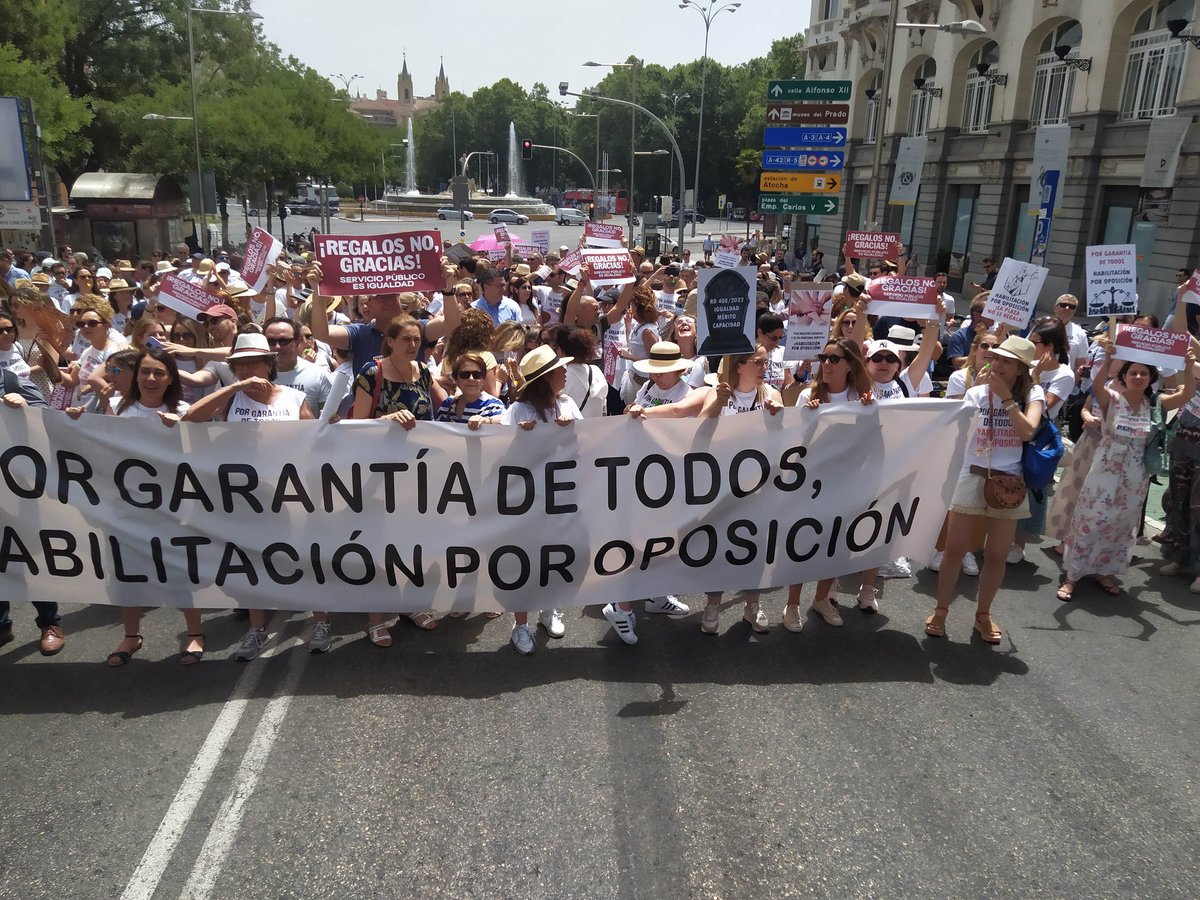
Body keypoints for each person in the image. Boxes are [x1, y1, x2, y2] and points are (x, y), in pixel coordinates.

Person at [183, 333, 315, 659]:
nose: (248, 368)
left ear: (269, 364)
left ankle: (318, 620)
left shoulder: (294, 399)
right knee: (252, 561)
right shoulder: (229, 398)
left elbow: (316, 440)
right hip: (247, 496)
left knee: (302, 559)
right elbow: (190, 419)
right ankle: (256, 630)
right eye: (240, 364)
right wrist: (233, 387)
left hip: (289, 494)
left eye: (254, 361)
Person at [924, 336, 1044, 643]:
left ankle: (983, 614)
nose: (999, 364)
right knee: (954, 550)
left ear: (1021, 369)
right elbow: (957, 434)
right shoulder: (976, 393)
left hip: (1010, 484)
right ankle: (941, 610)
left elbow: (1028, 431)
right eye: (997, 358)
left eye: (1007, 361)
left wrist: (1006, 399)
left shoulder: (1034, 393)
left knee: (996, 555)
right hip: (971, 476)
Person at [1057, 336, 1196, 600]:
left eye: (1144, 373)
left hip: (1135, 476)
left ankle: (1104, 571)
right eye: (1133, 372)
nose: (1138, 377)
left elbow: (1187, 394)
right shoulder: (1112, 398)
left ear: (1150, 378)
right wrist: (1108, 358)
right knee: (1091, 519)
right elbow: (1096, 385)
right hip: (1104, 471)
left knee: (1120, 525)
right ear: (1124, 376)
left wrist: (1189, 368)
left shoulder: (1155, 405)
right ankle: (1072, 576)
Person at [103, 349, 203, 665]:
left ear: (170, 378)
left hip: (172, 510)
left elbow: (204, 456)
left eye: (159, 373)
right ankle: (131, 636)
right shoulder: (122, 409)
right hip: (128, 509)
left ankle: (194, 634)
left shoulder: (184, 409)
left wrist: (183, 427)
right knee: (127, 574)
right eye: (145, 371)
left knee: (181, 571)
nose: (150, 378)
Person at [351, 314, 448, 636]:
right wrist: (388, 418)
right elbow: (357, 427)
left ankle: (410, 603)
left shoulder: (422, 371)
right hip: (380, 474)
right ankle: (375, 618)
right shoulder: (371, 372)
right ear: (389, 341)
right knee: (380, 546)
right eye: (405, 339)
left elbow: (442, 412)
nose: (412, 345)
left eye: (417, 340)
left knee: (412, 543)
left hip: (417, 473)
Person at [493, 345, 581, 654]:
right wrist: (519, 436)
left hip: (559, 497)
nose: (565, 372)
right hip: (525, 499)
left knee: (554, 557)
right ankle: (521, 624)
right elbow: (499, 454)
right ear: (545, 379)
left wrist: (572, 428)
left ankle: (548, 610)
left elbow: (588, 445)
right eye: (559, 370)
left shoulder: (567, 404)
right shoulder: (518, 411)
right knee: (524, 561)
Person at [781, 339, 875, 630]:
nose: (827, 364)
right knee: (803, 543)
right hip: (810, 486)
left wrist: (870, 413)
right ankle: (792, 603)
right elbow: (791, 443)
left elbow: (870, 442)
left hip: (846, 484)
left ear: (850, 365)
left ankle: (821, 599)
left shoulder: (862, 399)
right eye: (825, 357)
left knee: (835, 545)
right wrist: (807, 419)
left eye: (835, 359)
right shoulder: (808, 396)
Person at [693, 345, 784, 635]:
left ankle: (752, 604)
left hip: (759, 487)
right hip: (720, 487)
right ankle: (713, 603)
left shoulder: (771, 395)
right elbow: (697, 430)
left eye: (765, 362)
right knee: (718, 546)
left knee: (754, 548)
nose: (763, 368)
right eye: (758, 362)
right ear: (739, 365)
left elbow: (784, 438)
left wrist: (778, 417)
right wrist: (716, 404)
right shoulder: (718, 392)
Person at [0, 367, 64, 655]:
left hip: (15, 487)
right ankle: (2, 625)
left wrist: (24, 406)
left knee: (28, 554)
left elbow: (46, 420)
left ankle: (50, 622)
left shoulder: (11, 380)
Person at [435, 350, 504, 425]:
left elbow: (507, 420)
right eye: (465, 374)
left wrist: (488, 421)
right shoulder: (447, 405)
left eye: (477, 375)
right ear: (455, 378)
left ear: (483, 379)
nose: (471, 378)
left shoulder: (493, 406)